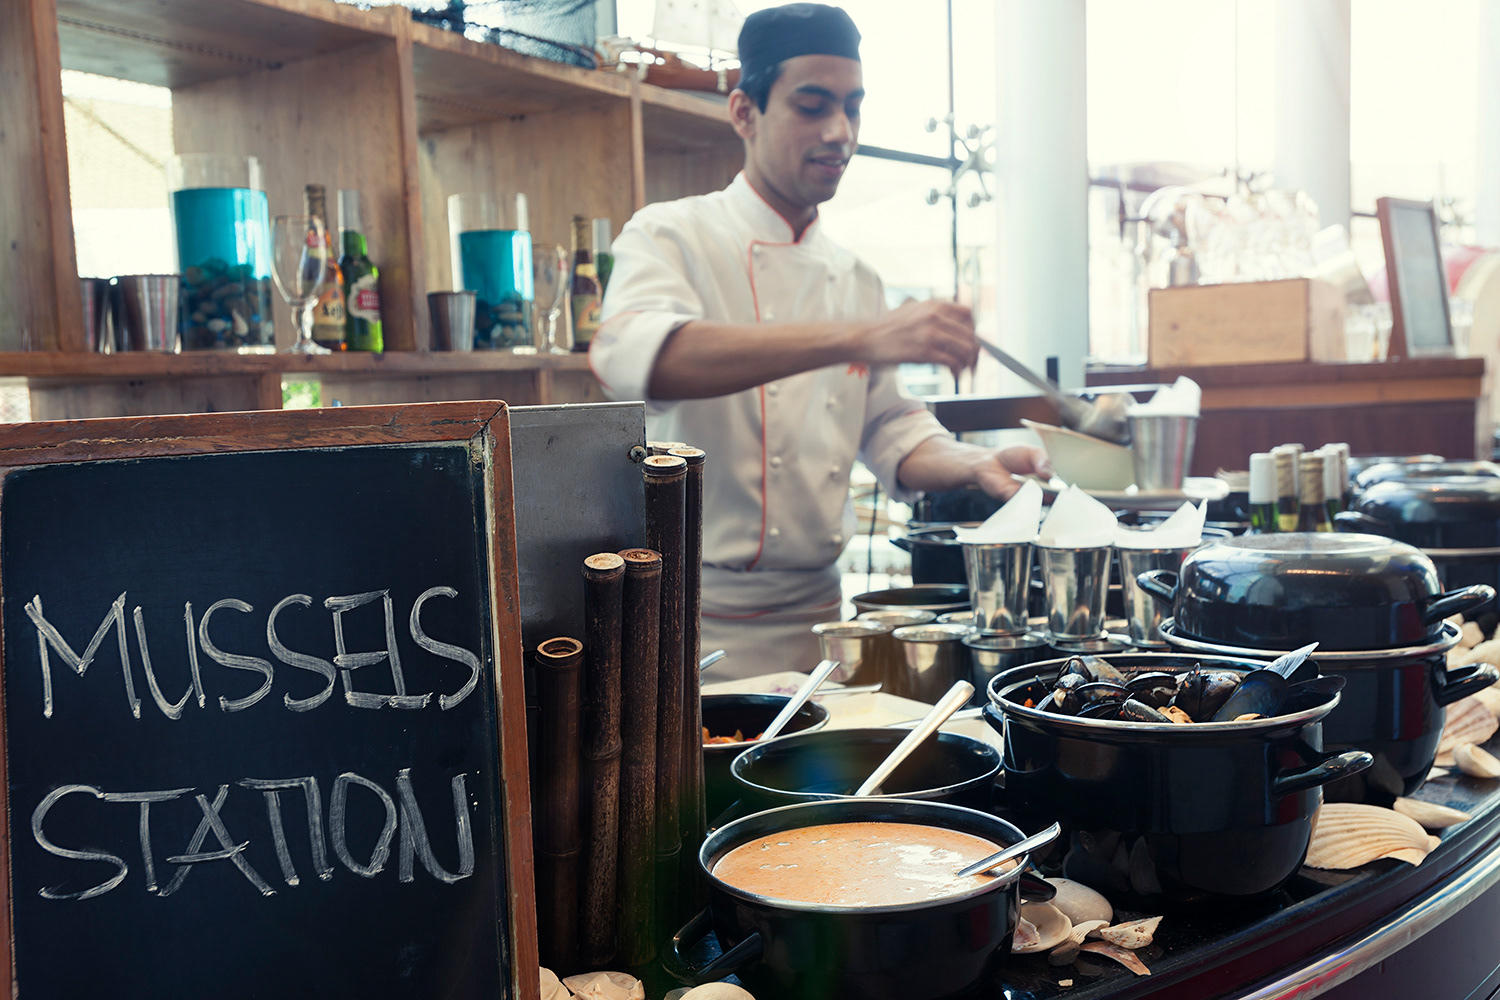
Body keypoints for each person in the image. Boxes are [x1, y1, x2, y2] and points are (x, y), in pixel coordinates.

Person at [592, 2, 1050, 680]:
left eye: (853, 107)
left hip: (822, 625)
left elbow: (891, 426)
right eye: (812, 106)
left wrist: (970, 463)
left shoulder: (854, 277)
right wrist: (865, 334)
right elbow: (646, 359)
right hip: (689, 625)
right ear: (745, 112)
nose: (840, 131)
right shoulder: (672, 235)